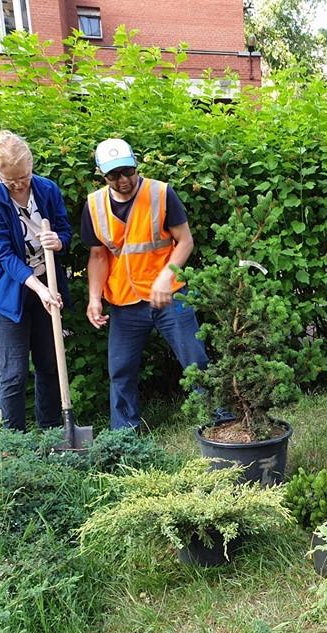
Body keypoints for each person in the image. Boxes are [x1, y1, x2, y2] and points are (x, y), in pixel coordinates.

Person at [82, 138, 209, 430]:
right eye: (114, 175)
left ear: (136, 165)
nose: (123, 180)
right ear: (103, 174)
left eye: (128, 171)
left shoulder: (161, 193)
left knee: (195, 360)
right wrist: (94, 298)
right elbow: (98, 256)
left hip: (170, 295)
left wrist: (167, 276)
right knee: (120, 370)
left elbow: (185, 241)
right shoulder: (94, 205)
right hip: (125, 301)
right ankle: (124, 436)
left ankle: (217, 421)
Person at [0, 129, 72, 431]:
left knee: (50, 364)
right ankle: (14, 445)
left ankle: (52, 432)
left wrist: (58, 241)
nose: (19, 185)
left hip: (45, 283)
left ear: (31, 165)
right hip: (3, 291)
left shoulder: (47, 189)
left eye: (24, 177)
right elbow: (1, 253)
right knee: (14, 370)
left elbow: (65, 230)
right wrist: (38, 287)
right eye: (11, 181)